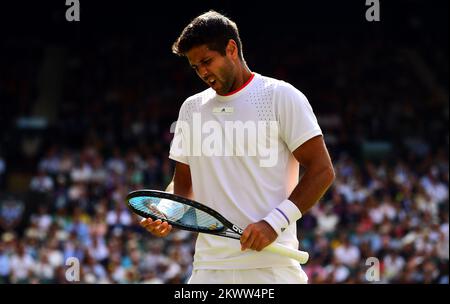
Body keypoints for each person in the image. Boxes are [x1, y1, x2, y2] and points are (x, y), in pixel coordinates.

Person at [140, 10, 335, 284]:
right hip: (208, 269)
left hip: (272, 267)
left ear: (231, 49)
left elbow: (323, 170)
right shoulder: (191, 109)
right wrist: (166, 212)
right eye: (196, 67)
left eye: (207, 61)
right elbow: (183, 185)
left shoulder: (281, 96)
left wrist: (273, 223)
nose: (203, 73)